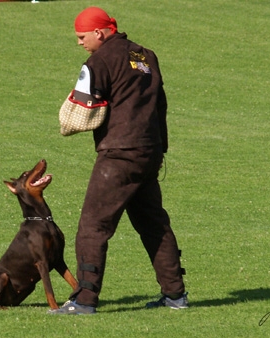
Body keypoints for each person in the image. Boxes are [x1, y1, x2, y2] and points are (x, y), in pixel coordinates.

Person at [50, 7, 187, 315]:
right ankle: (175, 295)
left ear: (99, 32)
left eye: (82, 37)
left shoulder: (99, 61)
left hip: (120, 154)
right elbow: (159, 104)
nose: (80, 43)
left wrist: (66, 125)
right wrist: (160, 147)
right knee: (154, 224)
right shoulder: (146, 55)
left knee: (92, 227)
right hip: (150, 151)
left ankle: (84, 300)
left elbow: (83, 109)